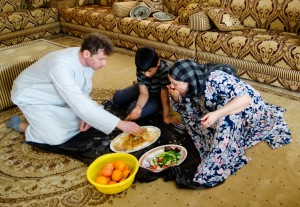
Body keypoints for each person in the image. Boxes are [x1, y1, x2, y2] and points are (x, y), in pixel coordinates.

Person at [167, 59, 292, 187]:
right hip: (222, 109)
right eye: (170, 82)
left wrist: (216, 114)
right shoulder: (193, 84)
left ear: (189, 80)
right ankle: (223, 134)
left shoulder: (216, 79)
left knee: (226, 120)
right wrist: (176, 97)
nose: (171, 86)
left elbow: (245, 99)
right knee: (193, 120)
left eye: (174, 83)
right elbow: (186, 110)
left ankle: (225, 152)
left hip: (247, 112)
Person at [6, 33, 141, 146]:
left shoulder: (85, 58)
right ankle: (20, 125)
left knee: (91, 117)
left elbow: (83, 90)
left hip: (56, 94)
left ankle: (47, 119)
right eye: (101, 59)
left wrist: (86, 115)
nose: (104, 64)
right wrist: (120, 124)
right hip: (32, 96)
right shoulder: (60, 66)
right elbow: (77, 99)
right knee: (56, 137)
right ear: (87, 53)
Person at [112, 47, 179, 125]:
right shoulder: (141, 68)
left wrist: (166, 117)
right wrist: (138, 106)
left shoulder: (165, 71)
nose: (147, 75)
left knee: (132, 112)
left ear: (158, 62)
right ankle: (137, 88)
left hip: (158, 96)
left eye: (150, 71)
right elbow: (144, 93)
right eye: (143, 72)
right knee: (117, 98)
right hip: (145, 89)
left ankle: (145, 101)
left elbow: (164, 96)